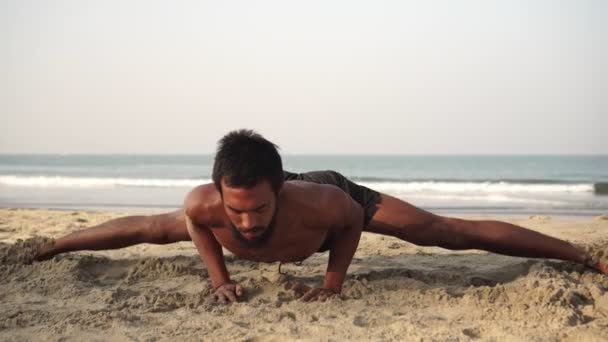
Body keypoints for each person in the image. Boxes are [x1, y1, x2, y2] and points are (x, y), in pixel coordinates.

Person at [34, 129, 607, 303]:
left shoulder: (323, 201)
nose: (249, 222)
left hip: (337, 197)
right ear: (219, 195)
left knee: (445, 233)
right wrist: (220, 278)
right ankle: (49, 247)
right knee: (146, 230)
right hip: (259, 205)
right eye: (238, 210)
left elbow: (353, 221)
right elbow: (185, 227)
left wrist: (333, 283)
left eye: (259, 208)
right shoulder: (203, 207)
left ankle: (584, 253)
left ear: (280, 190)